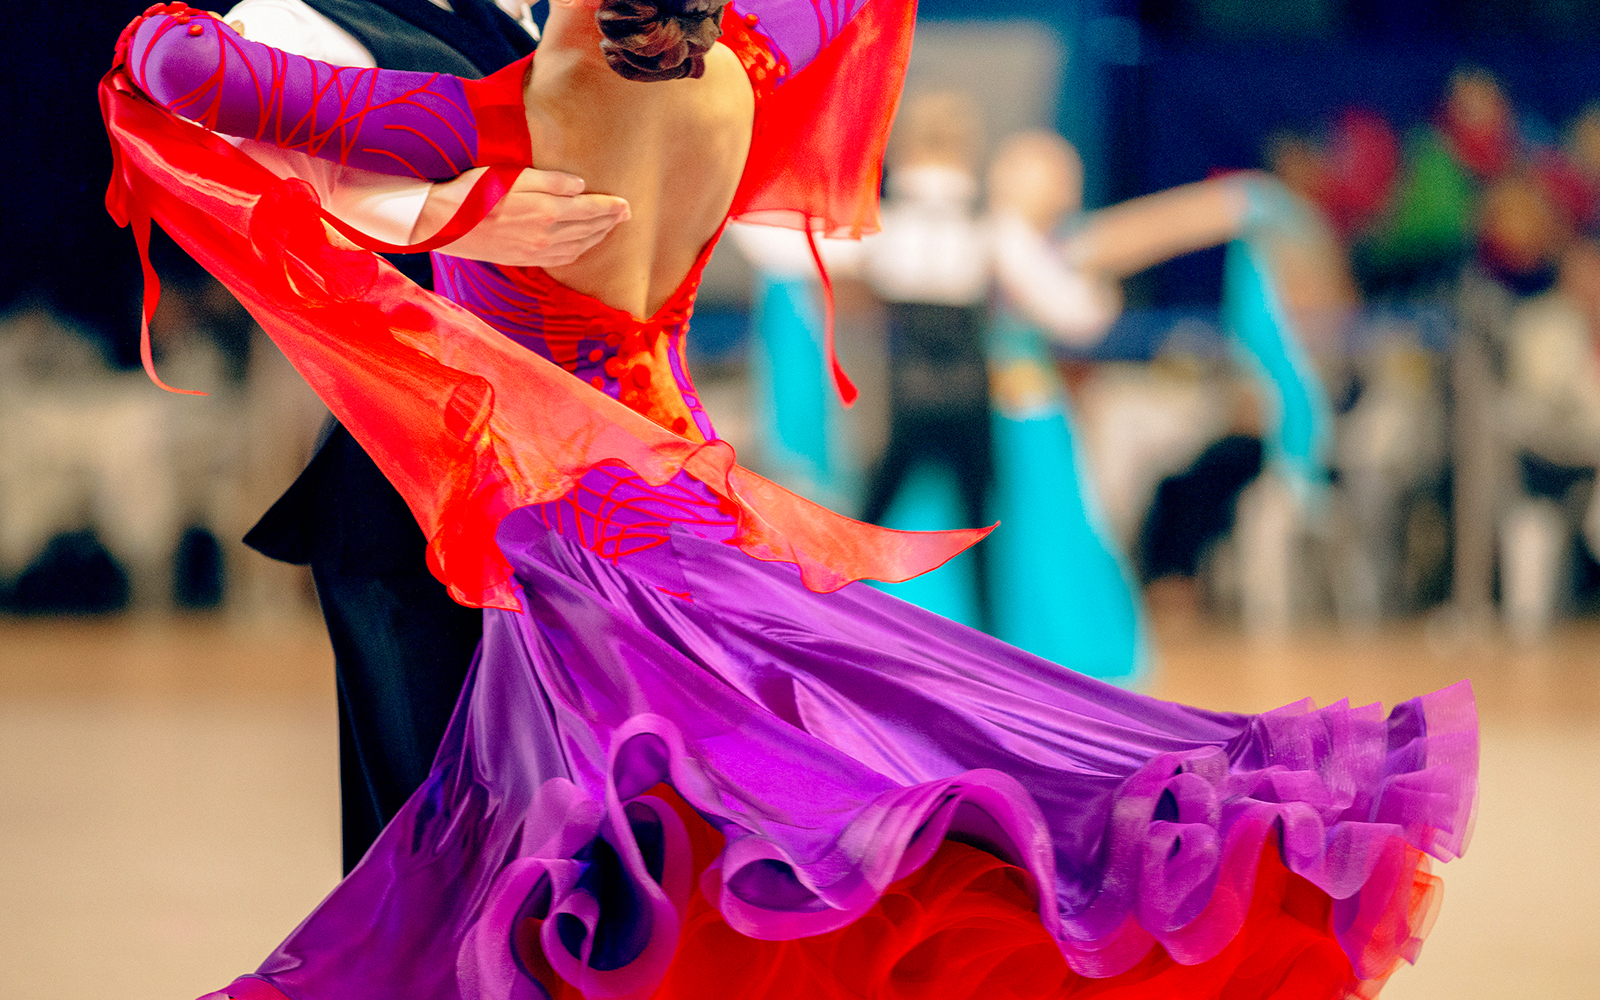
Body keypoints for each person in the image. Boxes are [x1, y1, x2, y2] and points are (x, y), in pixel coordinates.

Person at [106, 3, 1477, 999]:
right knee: (771, 809)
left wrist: (457, 207)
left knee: (548, 859)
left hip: (556, 532)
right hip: (691, 497)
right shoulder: (738, 88)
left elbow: (170, 58)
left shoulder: (494, 115)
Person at [221, 0, 633, 872]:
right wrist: (446, 215)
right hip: (410, 473)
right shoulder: (293, 20)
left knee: (579, 833)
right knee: (439, 840)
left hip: (572, 480)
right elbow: (237, 189)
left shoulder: (529, 22)